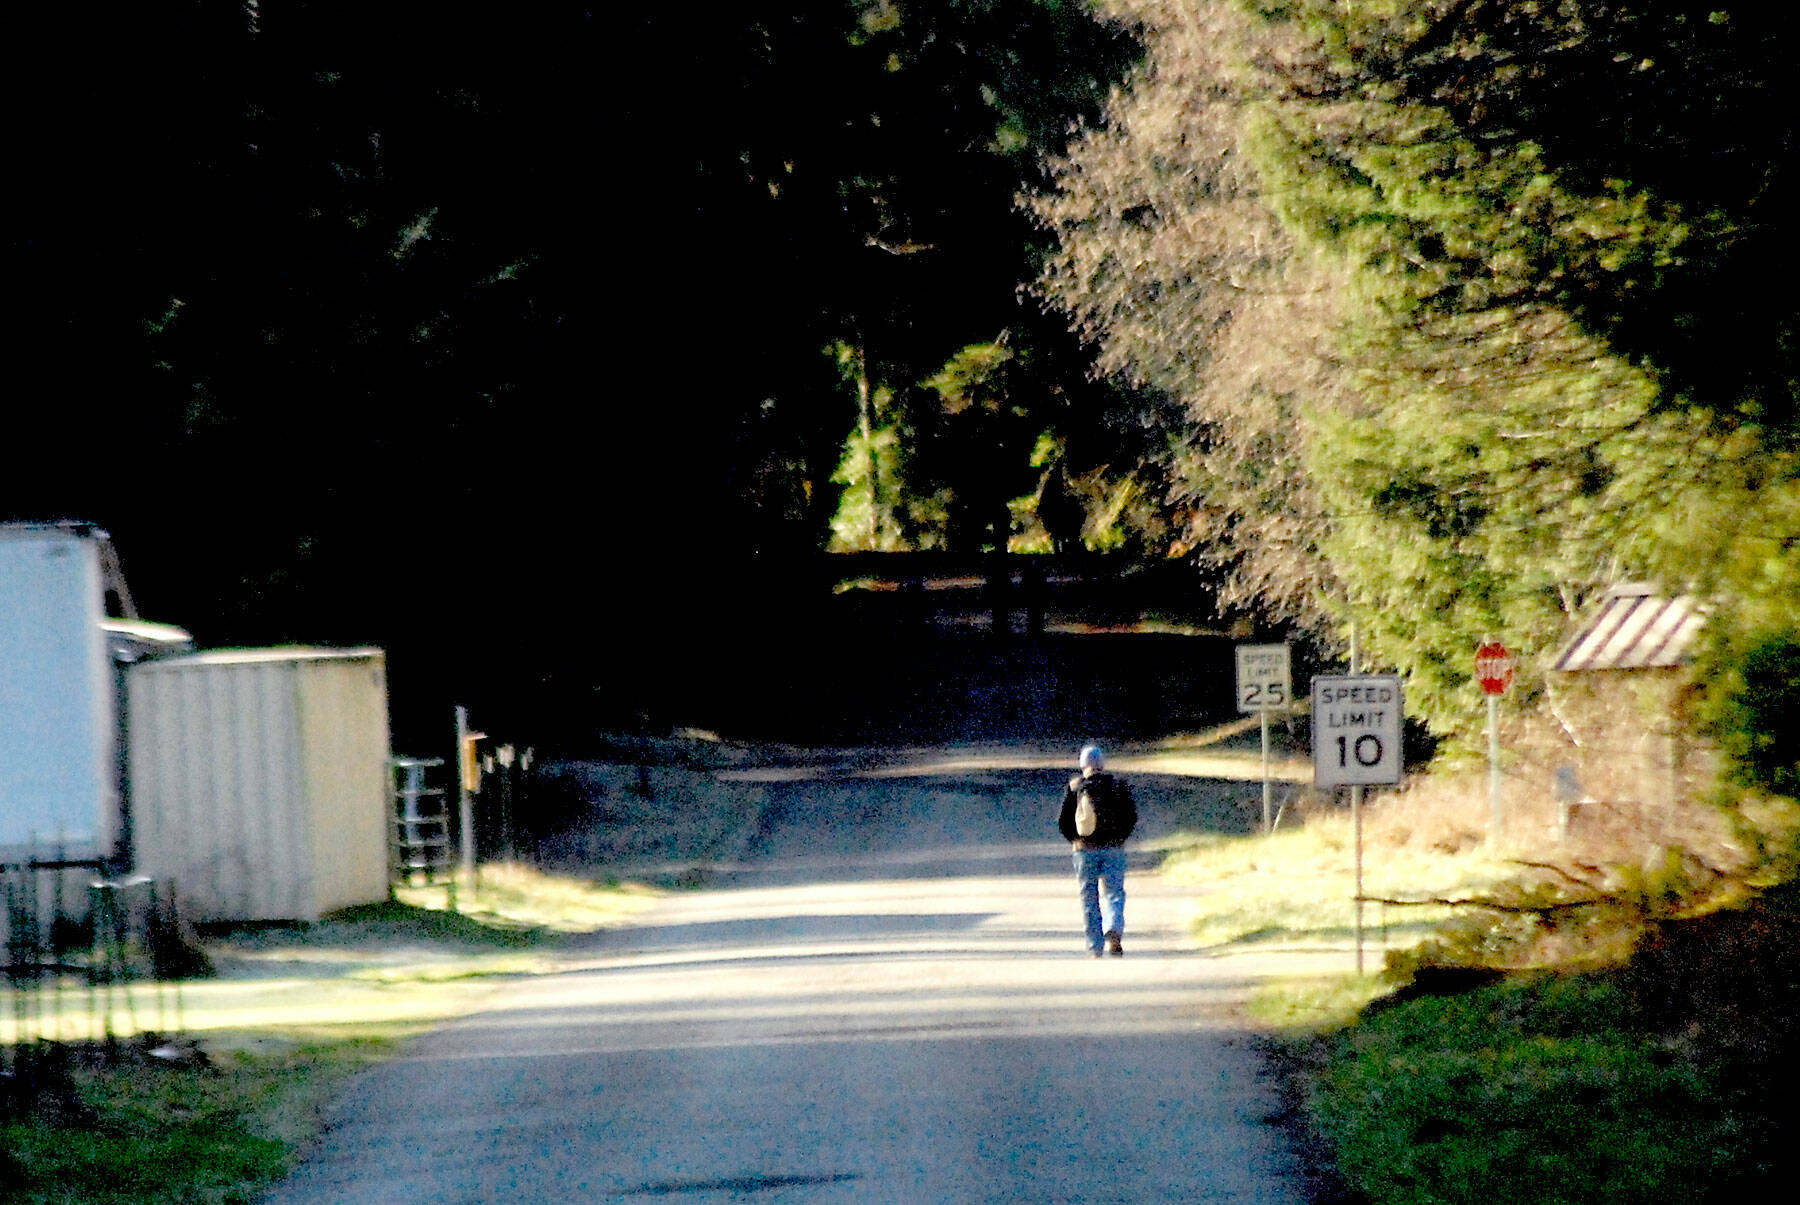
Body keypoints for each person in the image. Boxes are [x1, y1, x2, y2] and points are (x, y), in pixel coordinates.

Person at [1057, 744, 1137, 957]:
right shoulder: (1117, 786)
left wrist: (1075, 841)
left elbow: (1064, 821)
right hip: (1113, 848)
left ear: (1083, 765)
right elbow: (1131, 816)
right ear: (1102, 764)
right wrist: (1120, 838)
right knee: (1114, 893)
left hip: (1085, 850)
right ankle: (1114, 928)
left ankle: (1094, 946)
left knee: (1089, 898)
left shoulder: (1075, 788)